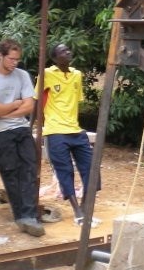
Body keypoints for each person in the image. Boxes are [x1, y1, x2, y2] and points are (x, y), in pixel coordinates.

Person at [0, 38, 44, 237]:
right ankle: (22, 216)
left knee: (29, 169)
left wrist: (5, 111)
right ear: (0, 56)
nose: (15, 63)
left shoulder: (22, 75)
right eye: (11, 59)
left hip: (20, 128)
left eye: (17, 59)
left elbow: (29, 106)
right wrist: (15, 104)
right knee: (11, 172)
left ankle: (29, 215)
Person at [38, 43, 99, 226]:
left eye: (68, 50)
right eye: (63, 51)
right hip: (55, 131)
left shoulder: (76, 75)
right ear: (55, 58)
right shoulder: (46, 74)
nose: (68, 52)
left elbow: (75, 101)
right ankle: (78, 212)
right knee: (65, 172)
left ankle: (84, 208)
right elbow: (37, 101)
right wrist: (34, 128)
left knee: (91, 170)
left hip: (75, 130)